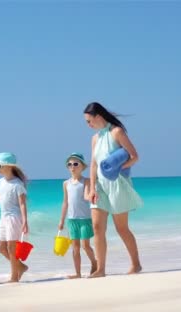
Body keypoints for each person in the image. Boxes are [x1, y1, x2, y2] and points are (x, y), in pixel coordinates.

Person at [83, 102, 143, 278]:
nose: (88, 125)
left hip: (118, 184)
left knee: (121, 228)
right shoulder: (95, 138)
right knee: (97, 227)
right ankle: (100, 269)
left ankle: (136, 264)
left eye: (89, 121)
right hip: (100, 186)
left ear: (98, 117)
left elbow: (134, 156)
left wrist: (118, 168)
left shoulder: (116, 132)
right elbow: (93, 165)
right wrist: (92, 188)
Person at [0, 152, 30, 282]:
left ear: (9, 166)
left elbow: (22, 204)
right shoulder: (0, 182)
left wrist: (25, 221)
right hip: (3, 218)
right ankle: (20, 267)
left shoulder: (17, 184)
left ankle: (14, 277)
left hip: (14, 218)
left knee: (11, 248)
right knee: (1, 248)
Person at [57, 153, 97, 279]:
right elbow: (65, 202)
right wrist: (61, 220)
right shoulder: (66, 183)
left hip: (85, 219)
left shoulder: (86, 181)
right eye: (69, 164)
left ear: (83, 166)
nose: (72, 166)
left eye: (75, 164)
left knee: (85, 245)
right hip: (72, 220)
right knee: (75, 247)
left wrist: (92, 197)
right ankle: (78, 273)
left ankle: (95, 263)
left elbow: (86, 195)